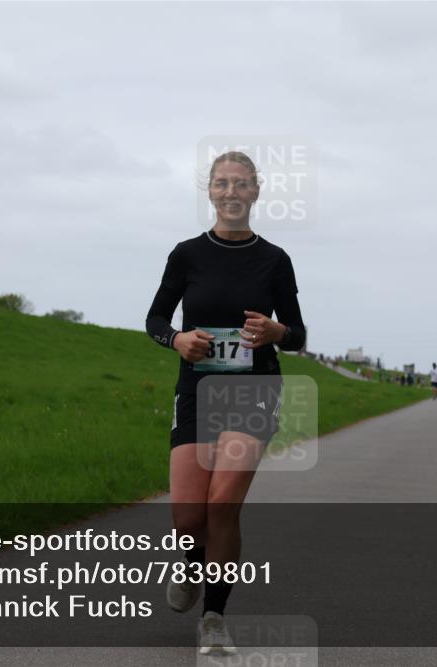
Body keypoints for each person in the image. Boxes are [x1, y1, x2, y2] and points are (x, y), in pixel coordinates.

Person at [146, 151, 306, 655]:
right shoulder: (186, 255)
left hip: (254, 390)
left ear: (256, 192)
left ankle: (213, 617)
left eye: (241, 184)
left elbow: (298, 335)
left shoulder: (274, 260)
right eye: (222, 183)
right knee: (188, 520)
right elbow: (154, 320)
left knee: (222, 504)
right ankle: (192, 566)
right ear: (210, 191)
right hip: (197, 390)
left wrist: (277, 332)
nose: (231, 192)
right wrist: (177, 339)